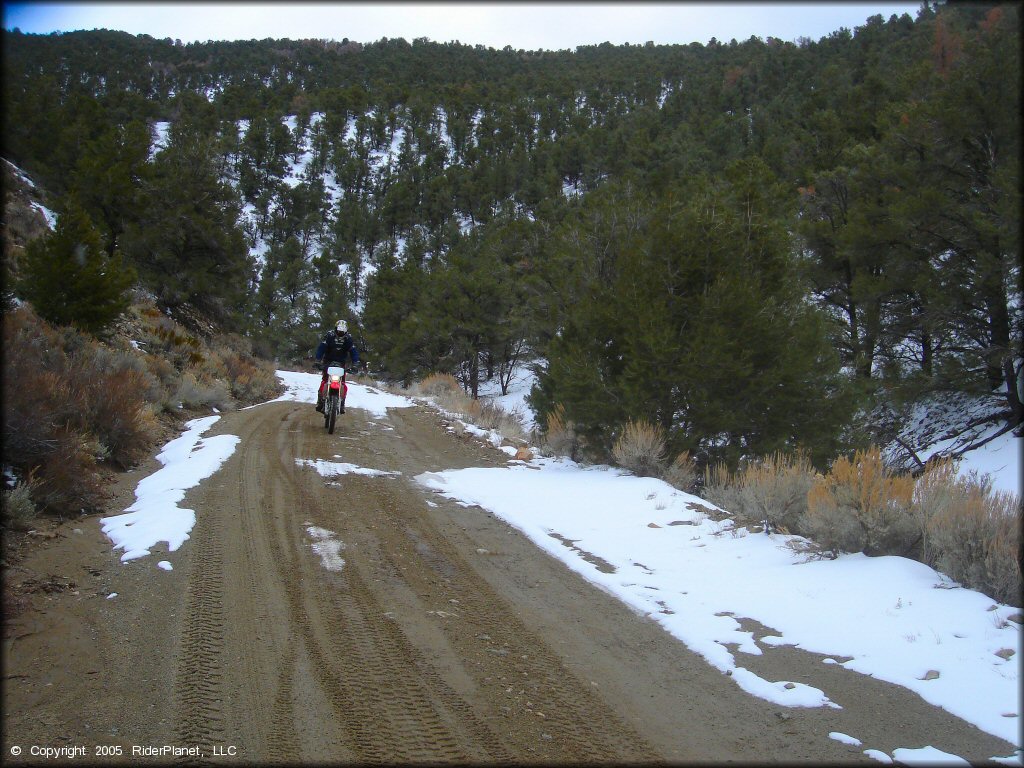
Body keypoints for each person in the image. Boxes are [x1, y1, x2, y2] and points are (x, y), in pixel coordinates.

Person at [315, 320, 359, 413]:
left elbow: (353, 352)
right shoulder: (329, 336)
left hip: (341, 364)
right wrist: (318, 361)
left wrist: (355, 364)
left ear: (346, 331)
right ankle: (320, 401)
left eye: (343, 332)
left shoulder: (348, 339)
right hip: (328, 362)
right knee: (324, 381)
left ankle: (342, 402)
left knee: (342, 383)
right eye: (339, 331)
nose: (340, 333)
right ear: (335, 329)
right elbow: (321, 348)